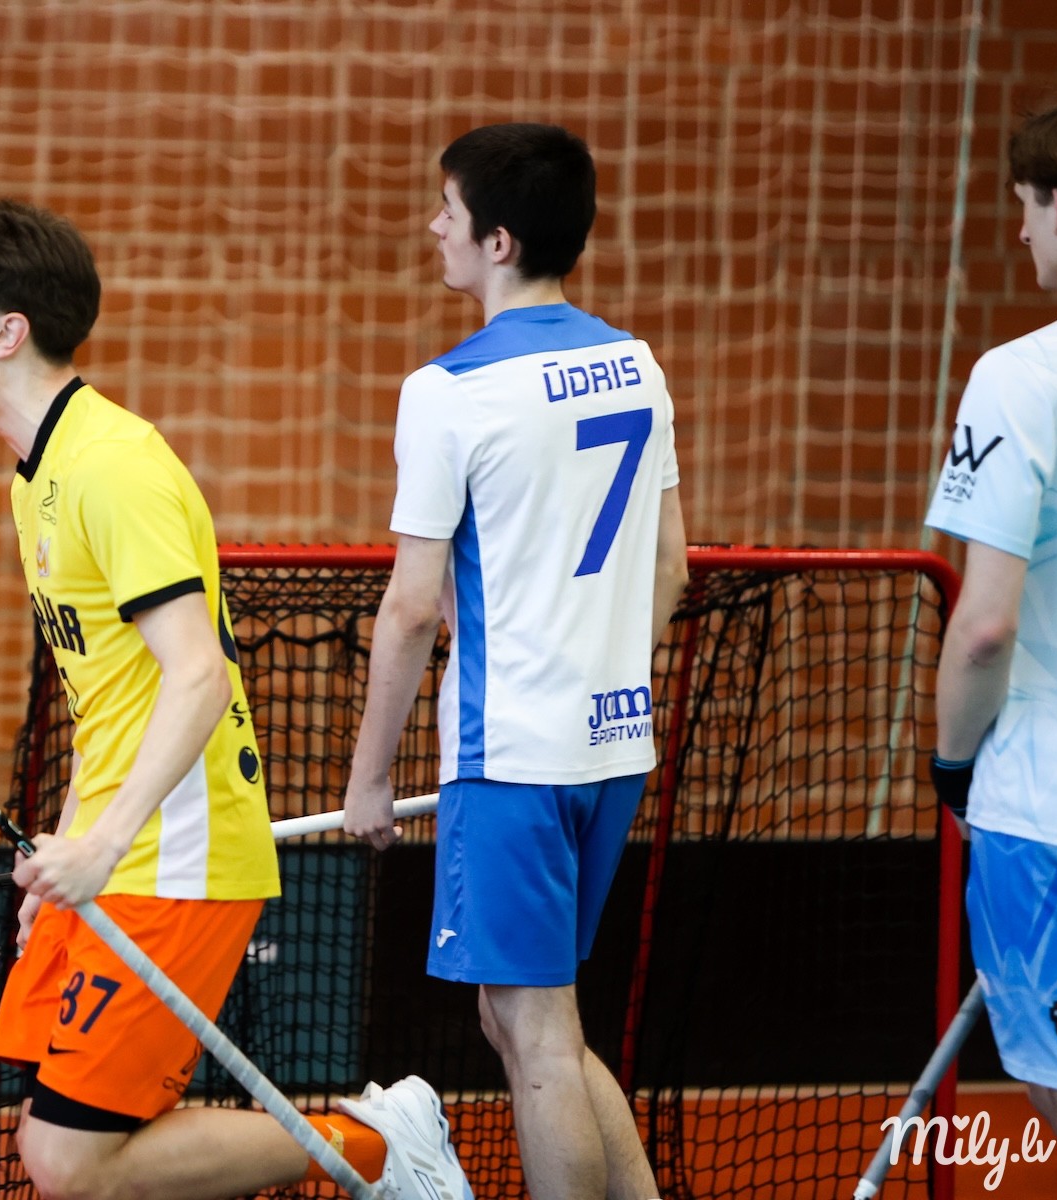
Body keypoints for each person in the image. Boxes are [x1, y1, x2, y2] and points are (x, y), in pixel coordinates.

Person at [0, 183, 472, 1200]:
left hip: (177, 858)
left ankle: (379, 1147)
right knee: (52, 1144)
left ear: (7, 332)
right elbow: (108, 697)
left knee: (70, 1161)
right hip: (118, 848)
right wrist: (69, 845)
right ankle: (371, 1143)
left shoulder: (113, 466)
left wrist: (103, 845)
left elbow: (199, 676)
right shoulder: (36, 475)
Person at [342, 124, 688, 1200]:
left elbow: (411, 609)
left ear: (497, 241)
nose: (432, 227)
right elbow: (671, 568)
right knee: (530, 1017)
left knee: (534, 1032)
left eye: (447, 212)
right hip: (613, 745)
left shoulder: (448, 390)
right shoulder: (636, 366)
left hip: (514, 760)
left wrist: (369, 778)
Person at [926, 92, 1057, 1188]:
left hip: (1050, 811)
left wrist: (950, 763)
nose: (1019, 232)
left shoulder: (1022, 378)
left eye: (1026, 205)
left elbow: (983, 626)